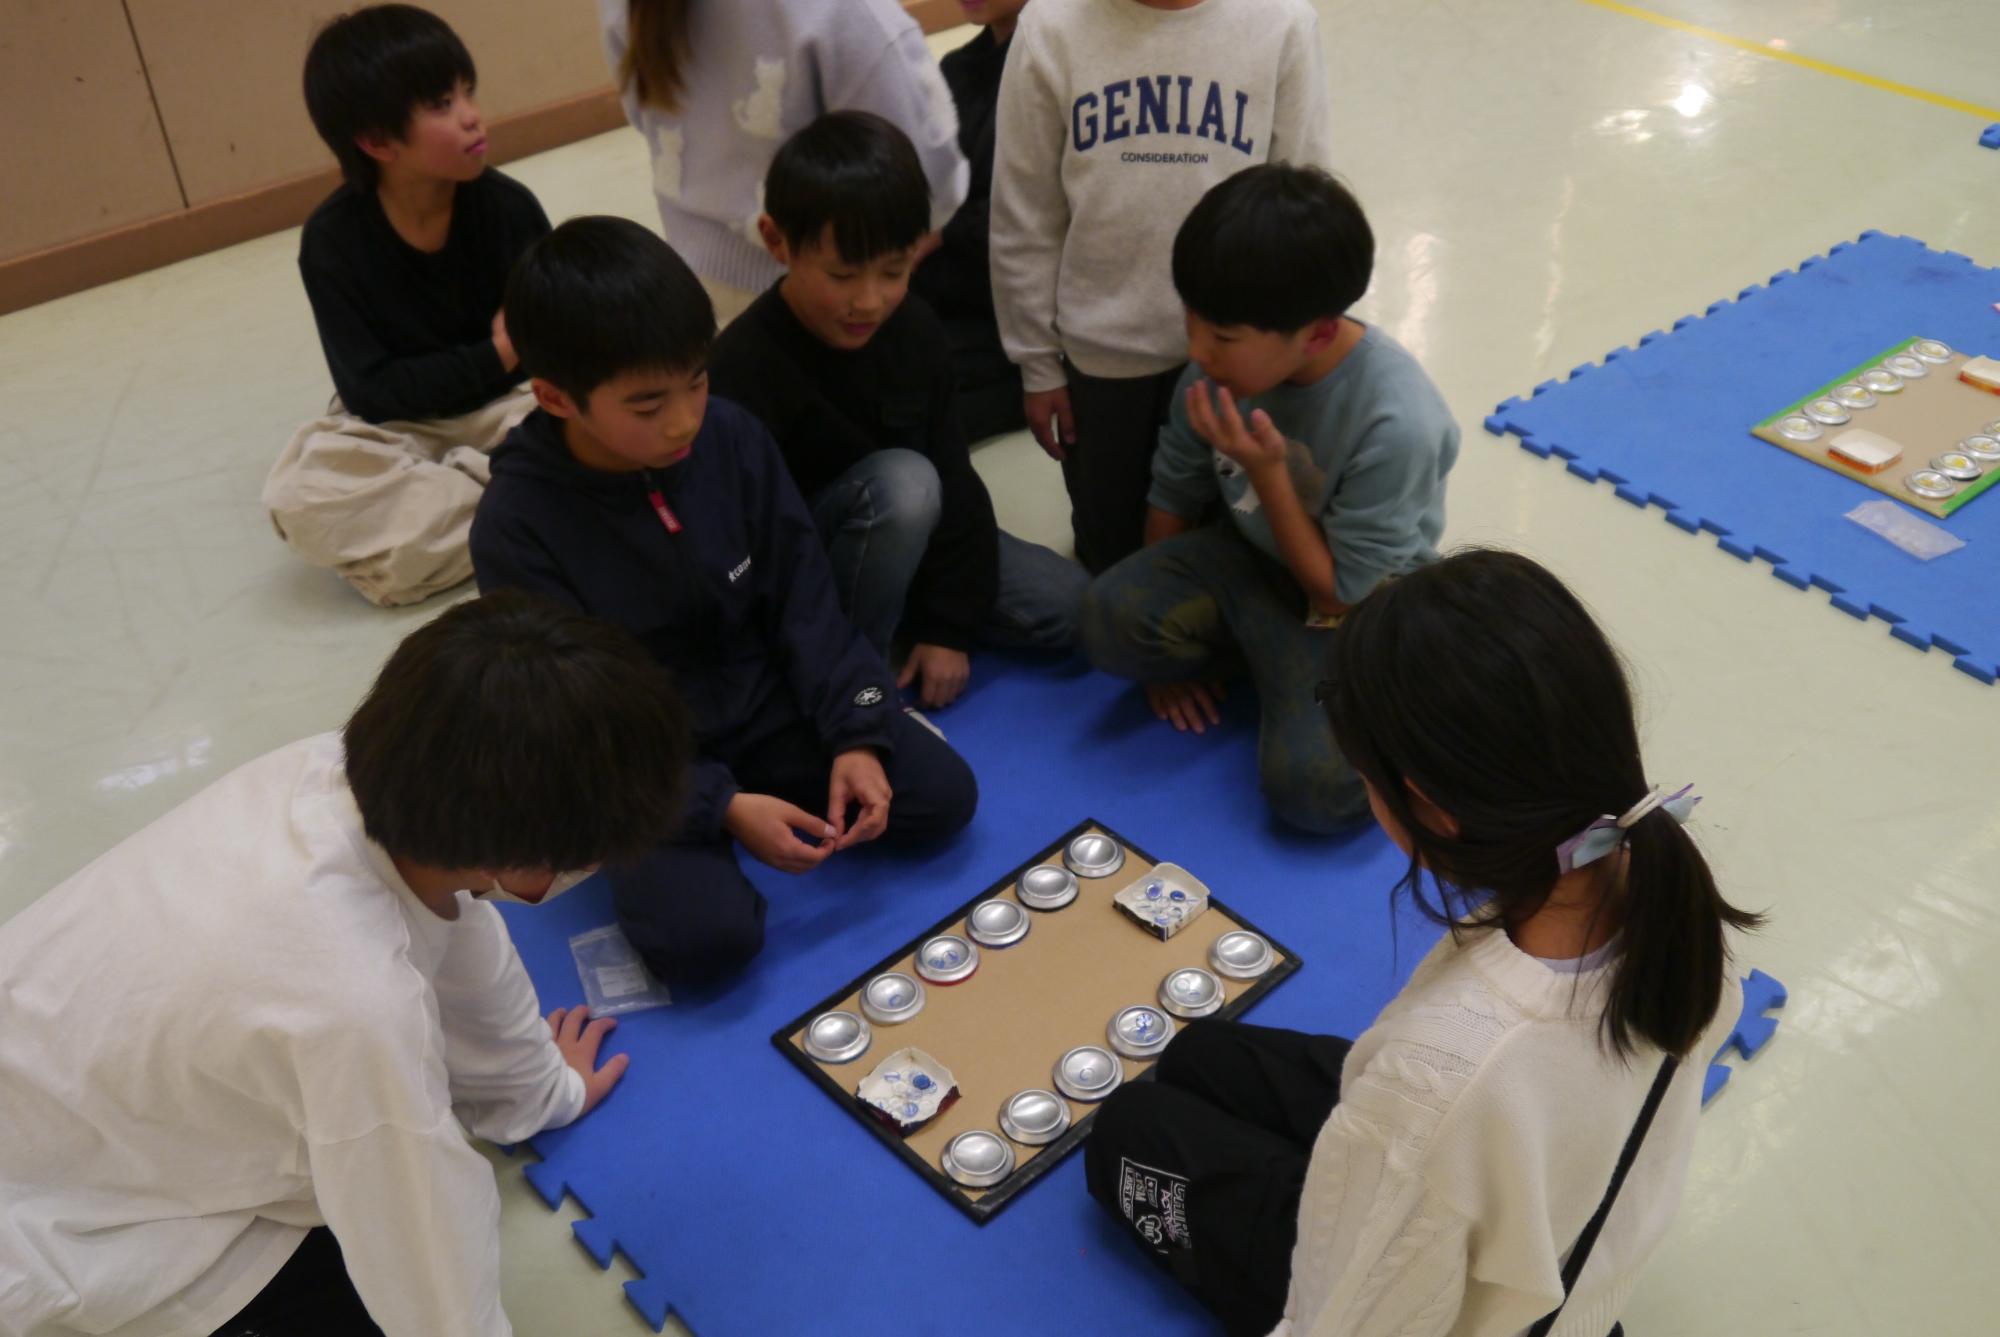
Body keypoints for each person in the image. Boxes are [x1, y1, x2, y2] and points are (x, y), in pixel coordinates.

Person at [1084, 549, 1765, 1337]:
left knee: (1124, 1128)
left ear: (1431, 809)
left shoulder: (1436, 1080)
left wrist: (1377, 1181)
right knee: (1200, 1053)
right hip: (1547, 1222)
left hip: (1472, 1281)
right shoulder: (1661, 870)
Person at [0, 591, 690, 1336]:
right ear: (528, 872)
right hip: (54, 1221)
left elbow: (460, 930)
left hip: (54, 1071)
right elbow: (422, 1234)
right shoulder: (356, 1009)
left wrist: (541, 1093)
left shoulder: (347, 770)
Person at [469, 216, 979, 991]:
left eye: (697, 382)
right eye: (647, 406)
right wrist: (722, 806)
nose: (684, 420)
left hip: (760, 699)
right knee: (706, 945)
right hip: (643, 756)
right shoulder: (515, 527)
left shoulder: (732, 439)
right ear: (555, 397)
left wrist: (857, 733)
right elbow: (578, 726)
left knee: (941, 798)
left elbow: (807, 603)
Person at [1079, 166, 1458, 833]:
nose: (1197, 351)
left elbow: (1342, 593)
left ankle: (1366, 698)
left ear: (1314, 334)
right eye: (1192, 323)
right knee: (1104, 618)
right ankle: (1278, 675)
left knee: (1315, 794)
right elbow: (1174, 485)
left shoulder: (1397, 422)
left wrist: (1270, 475)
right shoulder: (1220, 364)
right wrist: (1157, 660)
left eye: (1221, 338)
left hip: (1356, 613)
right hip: (1247, 564)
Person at [710, 111, 1086, 709]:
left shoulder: (913, 328)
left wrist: (947, 627)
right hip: (809, 572)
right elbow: (746, 545)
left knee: (1076, 610)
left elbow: (955, 478)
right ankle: (854, 677)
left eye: (893, 271)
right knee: (904, 486)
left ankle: (901, 618)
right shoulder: (741, 365)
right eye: (842, 275)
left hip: (910, 538)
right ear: (778, 242)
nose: (869, 301)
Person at [990, 0, 1331, 573]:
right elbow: (1024, 213)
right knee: (1114, 559)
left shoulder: (1282, 21)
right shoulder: (1049, 26)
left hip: (1239, 356)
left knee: (1239, 547)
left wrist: (1293, 356)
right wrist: (1037, 362)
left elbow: (1302, 196)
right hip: (1102, 357)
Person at [263, 4, 551, 606]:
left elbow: (552, 341)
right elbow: (371, 392)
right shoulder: (332, 242)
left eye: (467, 92)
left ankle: (449, 530)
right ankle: (519, 509)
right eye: (442, 104)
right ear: (375, 140)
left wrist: (508, 365)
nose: (473, 117)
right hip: (399, 429)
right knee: (301, 496)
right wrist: (498, 350)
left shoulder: (508, 209)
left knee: (582, 429)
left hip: (513, 408)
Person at [596, 0, 968, 327]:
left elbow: (646, 114)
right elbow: (923, 174)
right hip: (822, 289)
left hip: (694, 276)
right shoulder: (842, 12)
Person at [908, 0, 1030, 443]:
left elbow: (1043, 207)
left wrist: (944, 233)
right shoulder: (956, 68)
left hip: (1015, 317)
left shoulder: (1058, 58)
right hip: (944, 293)